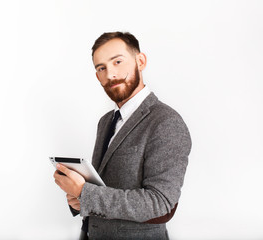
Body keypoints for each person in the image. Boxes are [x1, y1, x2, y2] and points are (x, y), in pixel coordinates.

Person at [53, 31, 192, 240]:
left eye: (117, 62)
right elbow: (105, 187)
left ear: (140, 61)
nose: (110, 74)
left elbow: (161, 204)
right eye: (101, 68)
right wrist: (81, 200)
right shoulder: (106, 121)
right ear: (97, 76)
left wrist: (85, 192)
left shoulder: (166, 122)